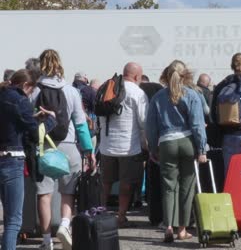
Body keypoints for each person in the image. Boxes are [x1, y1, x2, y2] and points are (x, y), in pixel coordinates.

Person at [35, 49, 96, 250]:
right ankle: (64, 224)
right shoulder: (71, 90)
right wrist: (89, 150)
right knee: (68, 192)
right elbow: (80, 124)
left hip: (43, 147)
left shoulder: (35, 90)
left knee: (44, 194)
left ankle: (46, 241)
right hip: (68, 146)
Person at [146, 60, 207, 243]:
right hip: (187, 141)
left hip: (166, 143)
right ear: (185, 75)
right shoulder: (192, 95)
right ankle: (182, 229)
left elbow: (150, 127)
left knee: (168, 186)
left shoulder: (158, 97)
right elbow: (197, 125)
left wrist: (153, 148)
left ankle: (169, 227)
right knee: (187, 188)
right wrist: (202, 149)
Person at [0, 70, 55, 250]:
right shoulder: (20, 100)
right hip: (12, 160)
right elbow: (33, 134)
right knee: (13, 220)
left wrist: (31, 118)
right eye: (31, 90)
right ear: (25, 85)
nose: (30, 94)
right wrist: (50, 121)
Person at [99, 62, 148, 228]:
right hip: (129, 147)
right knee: (126, 184)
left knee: (106, 182)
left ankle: (101, 212)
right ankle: (120, 216)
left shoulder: (109, 87)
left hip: (106, 145)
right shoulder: (137, 93)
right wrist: (146, 143)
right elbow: (144, 122)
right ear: (136, 76)